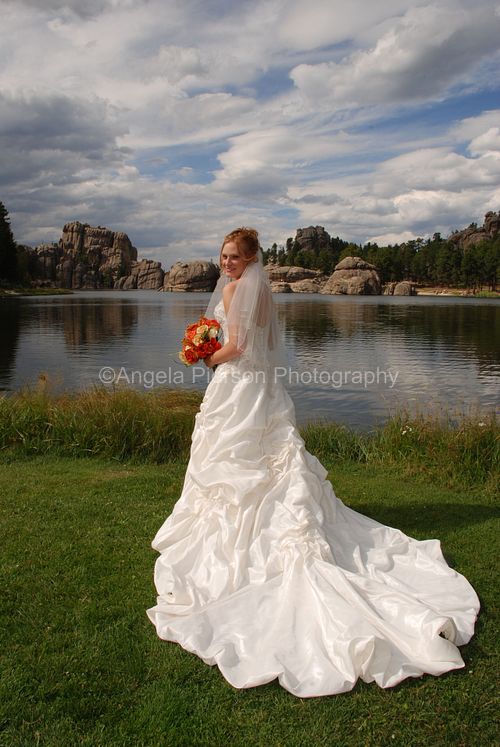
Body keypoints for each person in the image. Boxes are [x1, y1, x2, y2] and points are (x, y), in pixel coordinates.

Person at [147, 227, 479, 698]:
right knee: (265, 459)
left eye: (233, 257)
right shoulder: (257, 289)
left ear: (249, 259)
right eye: (222, 256)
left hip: (239, 383)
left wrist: (202, 357)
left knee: (236, 459)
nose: (225, 264)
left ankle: (236, 541)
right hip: (259, 388)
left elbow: (238, 346)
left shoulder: (241, 288)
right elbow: (257, 341)